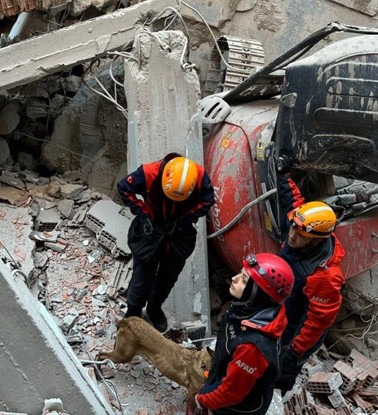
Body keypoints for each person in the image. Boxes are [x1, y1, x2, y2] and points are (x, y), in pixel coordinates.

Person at [118, 153, 215, 332]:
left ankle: (155, 307)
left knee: (168, 276)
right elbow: (124, 188)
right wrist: (143, 213)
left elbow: (208, 200)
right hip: (152, 228)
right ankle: (133, 311)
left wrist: (185, 220)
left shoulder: (199, 177)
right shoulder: (148, 173)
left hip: (178, 232)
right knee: (142, 276)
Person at [195, 253, 293, 415]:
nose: (234, 278)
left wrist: (203, 399)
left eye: (244, 280)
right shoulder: (254, 310)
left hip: (238, 407)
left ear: (259, 293)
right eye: (240, 273)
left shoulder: (252, 348)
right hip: (238, 383)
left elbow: (229, 393)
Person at [275, 201, 345, 393]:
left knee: (280, 372)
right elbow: (291, 198)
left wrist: (294, 350)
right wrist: (283, 173)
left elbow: (317, 321)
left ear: (316, 240)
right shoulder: (300, 224)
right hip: (281, 312)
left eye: (299, 235)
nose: (291, 236)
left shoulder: (326, 276)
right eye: (292, 229)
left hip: (296, 333)